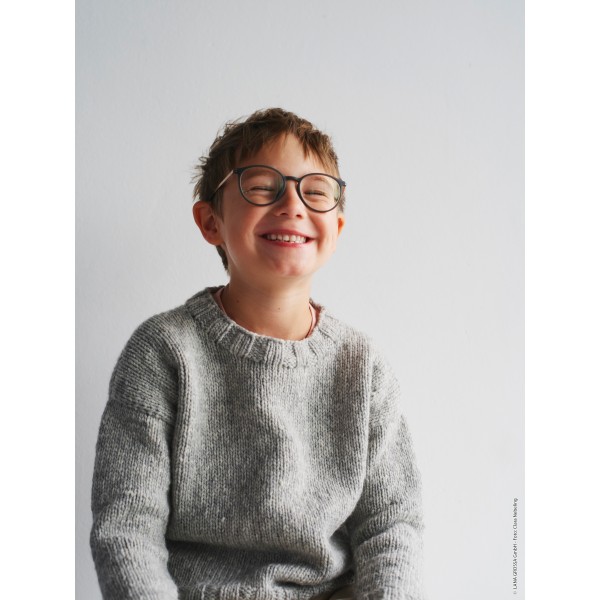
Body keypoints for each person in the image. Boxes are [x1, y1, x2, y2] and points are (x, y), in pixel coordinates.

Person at [90, 108, 425, 600]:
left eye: (315, 192)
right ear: (211, 222)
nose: (292, 204)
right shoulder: (162, 352)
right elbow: (127, 529)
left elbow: (391, 527)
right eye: (263, 187)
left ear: (336, 228)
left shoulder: (363, 367)